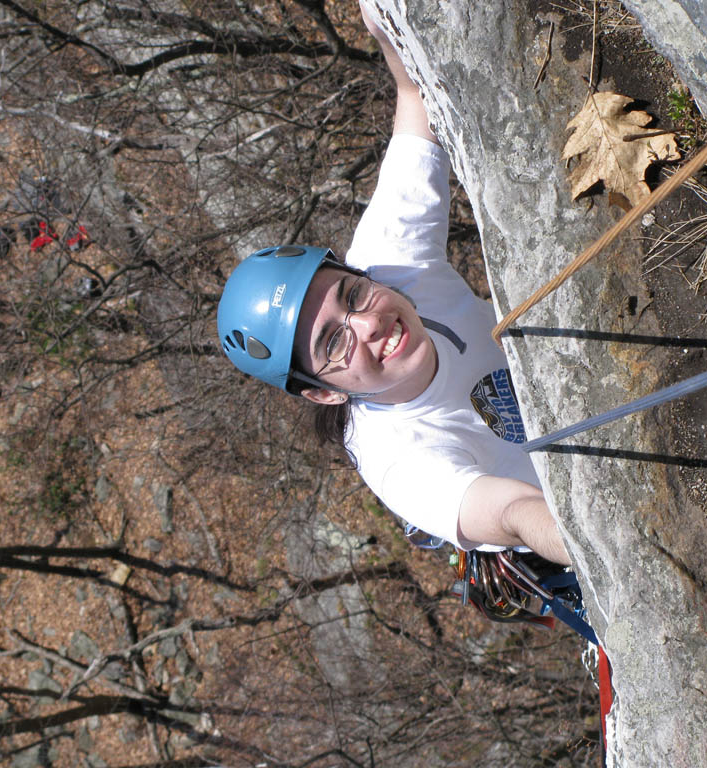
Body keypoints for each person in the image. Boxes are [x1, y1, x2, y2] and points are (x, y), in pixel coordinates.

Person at [217, 2, 570, 566]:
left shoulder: (388, 262)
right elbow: (509, 513)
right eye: (334, 342)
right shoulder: (398, 462)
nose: (369, 322)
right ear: (324, 391)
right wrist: (574, 536)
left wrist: (384, 23)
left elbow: (413, 103)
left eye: (351, 295)